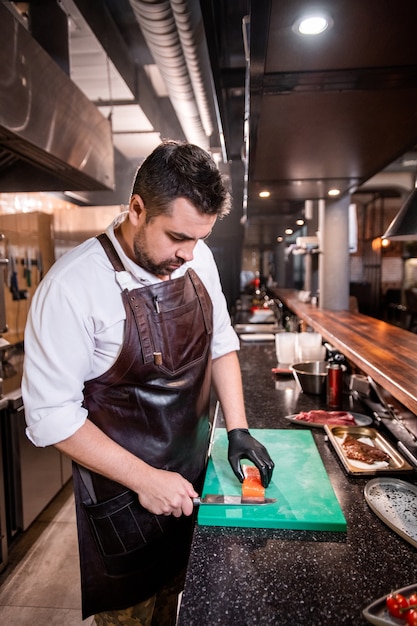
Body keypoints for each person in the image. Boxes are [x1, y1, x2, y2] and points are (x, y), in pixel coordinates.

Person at [22, 140, 274, 625]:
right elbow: (50, 417)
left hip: (194, 482)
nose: (189, 253)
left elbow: (221, 342)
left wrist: (237, 429)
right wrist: (145, 479)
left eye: (199, 238)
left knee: (182, 610)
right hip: (126, 500)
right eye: (178, 236)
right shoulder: (72, 287)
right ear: (136, 208)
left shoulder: (195, 259)